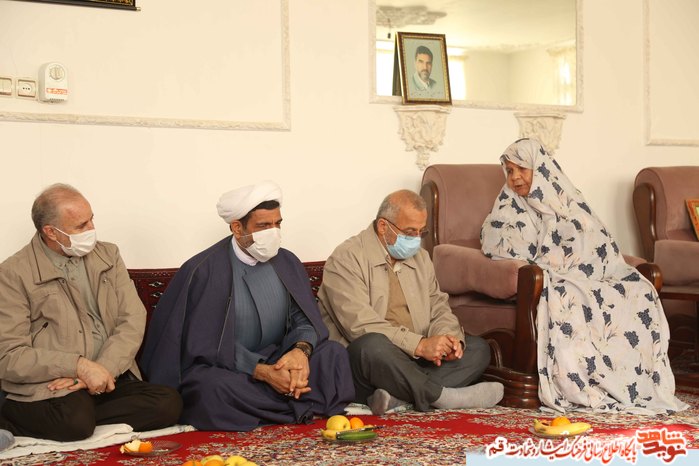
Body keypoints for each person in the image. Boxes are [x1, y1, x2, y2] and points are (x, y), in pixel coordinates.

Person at [481, 138, 688, 414]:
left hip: (588, 272)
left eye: (522, 169)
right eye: (509, 171)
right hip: (551, 276)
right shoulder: (508, 207)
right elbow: (498, 244)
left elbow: (594, 237)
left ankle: (635, 384)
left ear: (541, 169)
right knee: (570, 296)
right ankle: (581, 386)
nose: (515, 177)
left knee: (640, 289)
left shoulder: (566, 199)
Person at [140, 181, 354, 431]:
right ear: (236, 227)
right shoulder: (205, 270)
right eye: (263, 226)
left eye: (277, 224)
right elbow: (203, 347)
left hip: (280, 358)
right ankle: (298, 405)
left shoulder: (287, 262)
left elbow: (304, 320)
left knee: (333, 355)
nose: (273, 232)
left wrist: (300, 353)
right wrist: (262, 372)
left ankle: (272, 407)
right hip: (232, 370)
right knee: (210, 389)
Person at [0, 184, 182, 442]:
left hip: (110, 376)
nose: (91, 229)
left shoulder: (108, 255)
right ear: (50, 232)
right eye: (81, 226)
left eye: (91, 219)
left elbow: (131, 319)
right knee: (74, 420)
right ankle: (25, 415)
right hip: (53, 385)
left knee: (168, 404)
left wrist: (102, 370)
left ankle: (80, 418)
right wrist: (78, 366)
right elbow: (9, 356)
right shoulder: (12, 273)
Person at [318, 190, 504, 415]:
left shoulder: (421, 258)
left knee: (477, 349)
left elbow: (438, 306)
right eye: (409, 232)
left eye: (420, 231)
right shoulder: (346, 258)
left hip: (416, 359)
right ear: (383, 227)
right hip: (371, 363)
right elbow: (359, 325)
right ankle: (441, 397)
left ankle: (398, 397)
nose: (416, 238)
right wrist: (419, 345)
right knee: (371, 345)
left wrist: (447, 339)